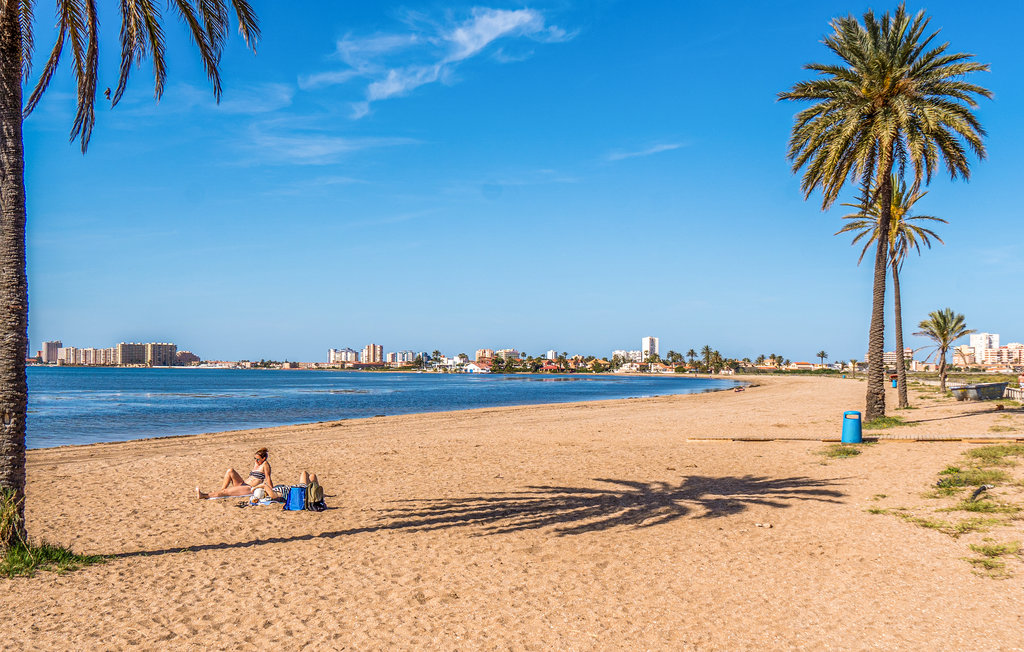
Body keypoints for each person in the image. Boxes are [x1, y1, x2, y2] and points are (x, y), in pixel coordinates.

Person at [196, 448, 276, 499]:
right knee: (230, 470)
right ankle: (221, 490)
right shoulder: (256, 463)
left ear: (264, 458)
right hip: (243, 483)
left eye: (258, 459)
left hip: (249, 488)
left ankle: (204, 495)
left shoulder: (265, 465)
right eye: (255, 458)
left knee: (226, 493)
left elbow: (268, 478)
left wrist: (272, 490)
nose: (256, 461)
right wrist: (257, 462)